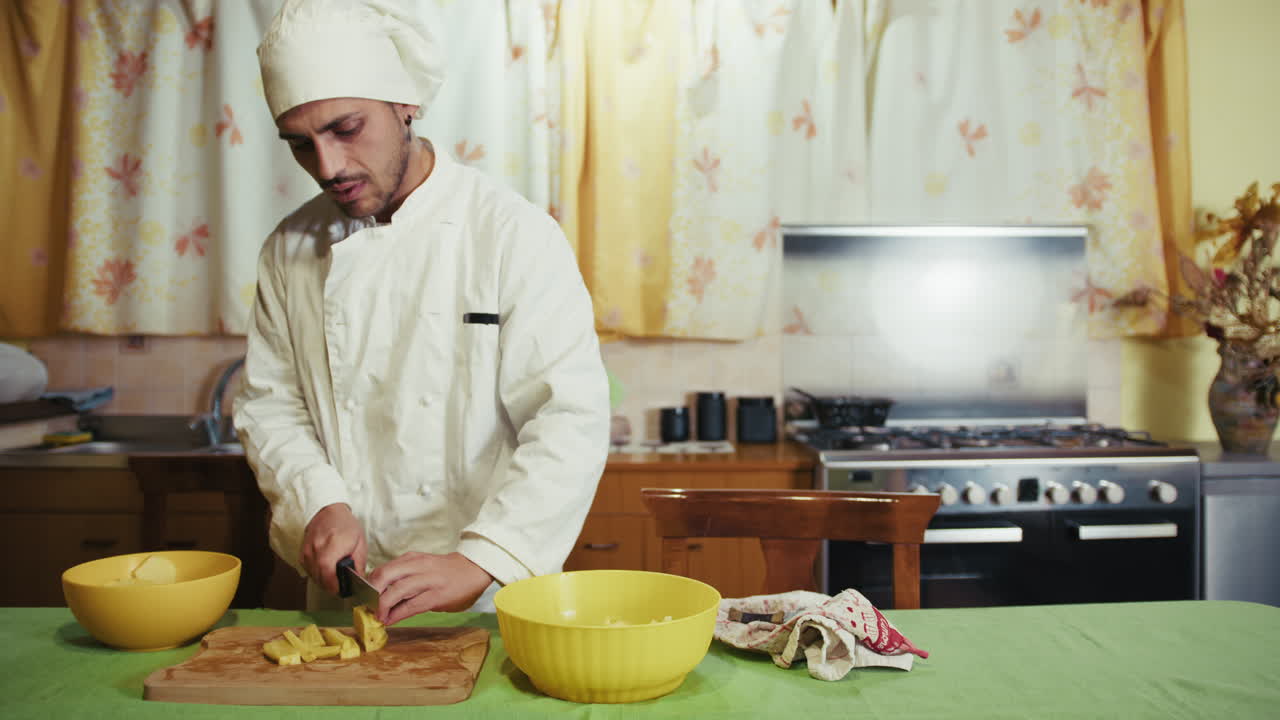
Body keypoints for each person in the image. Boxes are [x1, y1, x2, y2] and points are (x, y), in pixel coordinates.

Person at [235, 0, 610, 625]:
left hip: (490, 594)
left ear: (405, 103)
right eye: (301, 144)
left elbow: (568, 416)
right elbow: (272, 403)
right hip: (344, 596)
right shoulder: (289, 249)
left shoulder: (510, 234)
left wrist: (483, 558)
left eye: (346, 128)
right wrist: (318, 502)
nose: (327, 168)